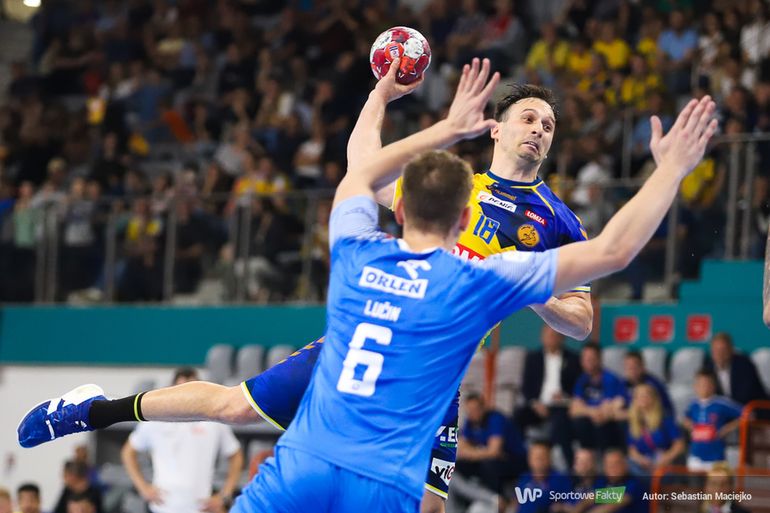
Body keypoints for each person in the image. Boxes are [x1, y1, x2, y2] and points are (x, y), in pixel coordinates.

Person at [20, 59, 719, 511]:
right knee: (234, 406)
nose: (540, 130)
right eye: (529, 118)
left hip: (431, 371)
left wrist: (523, 283)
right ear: (496, 130)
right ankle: (98, 410)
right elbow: (618, 251)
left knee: (428, 501)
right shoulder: (463, 219)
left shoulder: (539, 223)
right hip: (378, 349)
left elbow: (581, 320)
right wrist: (664, 175)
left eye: (550, 124)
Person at [121, 368, 244, 513]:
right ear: (173, 390)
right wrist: (143, 488)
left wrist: (225, 495)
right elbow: (128, 452)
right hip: (162, 507)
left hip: (201, 507)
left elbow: (236, 455)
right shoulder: (154, 420)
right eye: (182, 389)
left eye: (190, 388)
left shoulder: (214, 421)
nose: (186, 395)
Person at [518, 324, 580, 467]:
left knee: (561, 424)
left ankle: (569, 465)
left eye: (554, 335)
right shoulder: (533, 358)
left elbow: (577, 387)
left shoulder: (573, 359)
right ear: (542, 337)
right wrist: (534, 403)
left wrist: (565, 397)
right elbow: (526, 387)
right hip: (538, 404)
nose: (551, 338)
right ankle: (522, 463)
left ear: (562, 338)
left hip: (561, 405)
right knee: (518, 417)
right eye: (548, 335)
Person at [456, 393, 526, 495]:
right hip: (491, 458)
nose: (473, 413)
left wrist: (472, 452)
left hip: (515, 460)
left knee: (488, 465)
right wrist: (482, 452)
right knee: (459, 465)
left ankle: (498, 498)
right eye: (469, 410)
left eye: (476, 409)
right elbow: (461, 450)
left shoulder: (495, 419)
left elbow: (494, 451)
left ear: (483, 408)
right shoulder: (469, 421)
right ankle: (472, 498)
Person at [570, 342, 628, 451]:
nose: (588, 362)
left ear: (599, 359)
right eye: (585, 359)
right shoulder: (581, 381)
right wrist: (592, 412)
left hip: (608, 422)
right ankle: (586, 455)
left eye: (591, 359)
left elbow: (616, 404)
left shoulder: (611, 379)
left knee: (602, 424)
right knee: (579, 422)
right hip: (590, 420)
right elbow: (574, 409)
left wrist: (598, 412)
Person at [683, 370, 743, 471]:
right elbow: (685, 419)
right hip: (695, 456)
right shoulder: (692, 404)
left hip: (716, 457)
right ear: (695, 386)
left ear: (713, 386)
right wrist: (690, 426)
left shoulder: (722, 403)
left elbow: (748, 414)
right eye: (700, 384)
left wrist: (727, 428)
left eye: (707, 384)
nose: (704, 387)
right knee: (693, 481)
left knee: (718, 480)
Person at [626, 383, 685, 475]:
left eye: (646, 395)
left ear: (653, 398)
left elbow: (679, 445)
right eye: (639, 396)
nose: (643, 398)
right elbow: (632, 450)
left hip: (664, 462)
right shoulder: (634, 421)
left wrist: (667, 458)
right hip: (644, 463)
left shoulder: (665, 418)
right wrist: (641, 460)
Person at [702, 332, 767, 405]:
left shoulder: (744, 365)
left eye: (723, 350)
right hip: (722, 410)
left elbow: (746, 396)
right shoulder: (707, 367)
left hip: (753, 407)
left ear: (731, 350)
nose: (720, 354)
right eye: (716, 350)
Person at [506, 442, 570, 513]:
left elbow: (570, 505)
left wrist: (561, 507)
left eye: (542, 457)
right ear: (529, 459)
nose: (539, 460)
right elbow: (516, 502)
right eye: (535, 457)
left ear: (550, 459)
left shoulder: (560, 479)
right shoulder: (524, 478)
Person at [621, 350, 673, 414]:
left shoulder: (652, 384)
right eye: (628, 367)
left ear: (642, 367)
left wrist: (624, 413)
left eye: (634, 367)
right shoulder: (623, 383)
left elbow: (646, 411)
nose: (631, 370)